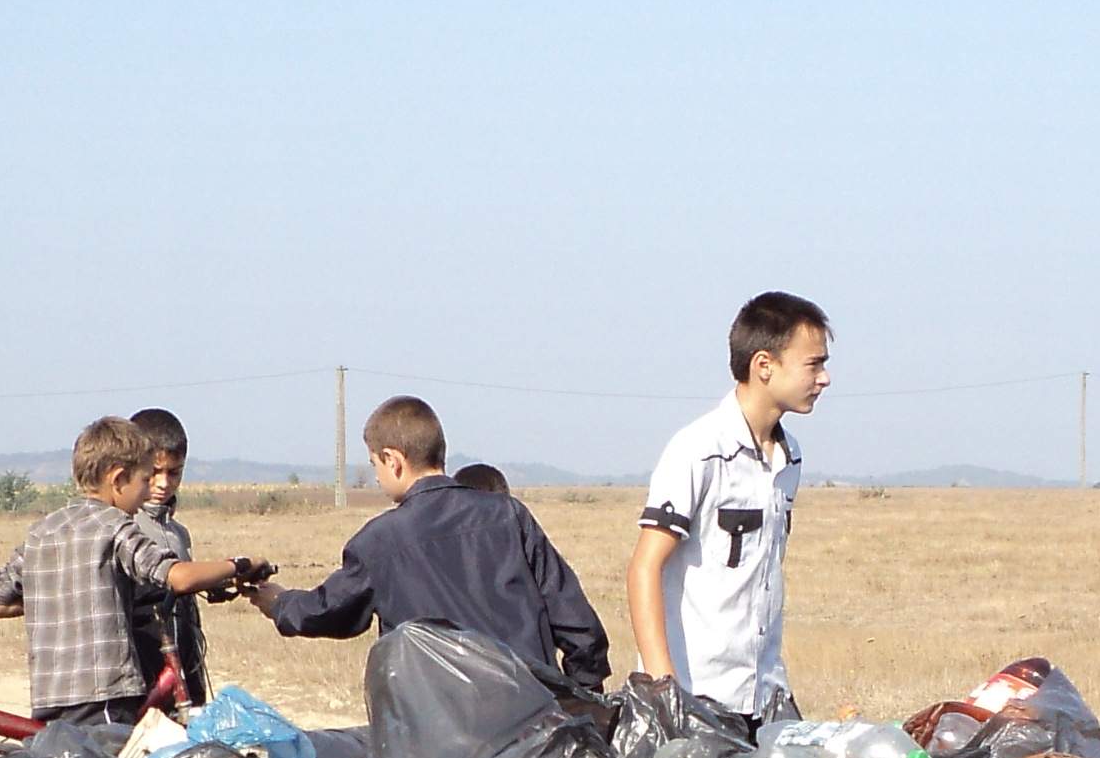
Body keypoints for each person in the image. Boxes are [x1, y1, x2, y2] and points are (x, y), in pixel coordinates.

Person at [241, 396, 608, 692]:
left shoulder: (378, 541)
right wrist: (581, 701)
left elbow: (329, 610)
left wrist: (279, 603)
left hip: (437, 742)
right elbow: (578, 626)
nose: (377, 477)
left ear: (393, 460)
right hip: (532, 728)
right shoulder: (509, 515)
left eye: (374, 464)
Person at [626, 291, 829, 723]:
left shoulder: (789, 455)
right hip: (697, 697)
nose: (824, 378)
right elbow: (645, 566)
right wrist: (663, 689)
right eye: (813, 364)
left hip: (765, 693)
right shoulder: (699, 450)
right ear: (764, 365)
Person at [0, 417, 251, 729]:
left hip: (49, 696)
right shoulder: (116, 526)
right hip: (106, 692)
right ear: (119, 479)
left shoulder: (41, 531)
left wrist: (62, 597)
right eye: (145, 480)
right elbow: (177, 577)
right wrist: (240, 565)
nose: (148, 491)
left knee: (64, 757)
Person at [128, 405, 210, 705]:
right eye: (154, 472)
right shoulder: (123, 527)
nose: (163, 484)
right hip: (142, 665)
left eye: (174, 472)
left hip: (183, 659)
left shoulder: (178, 533)